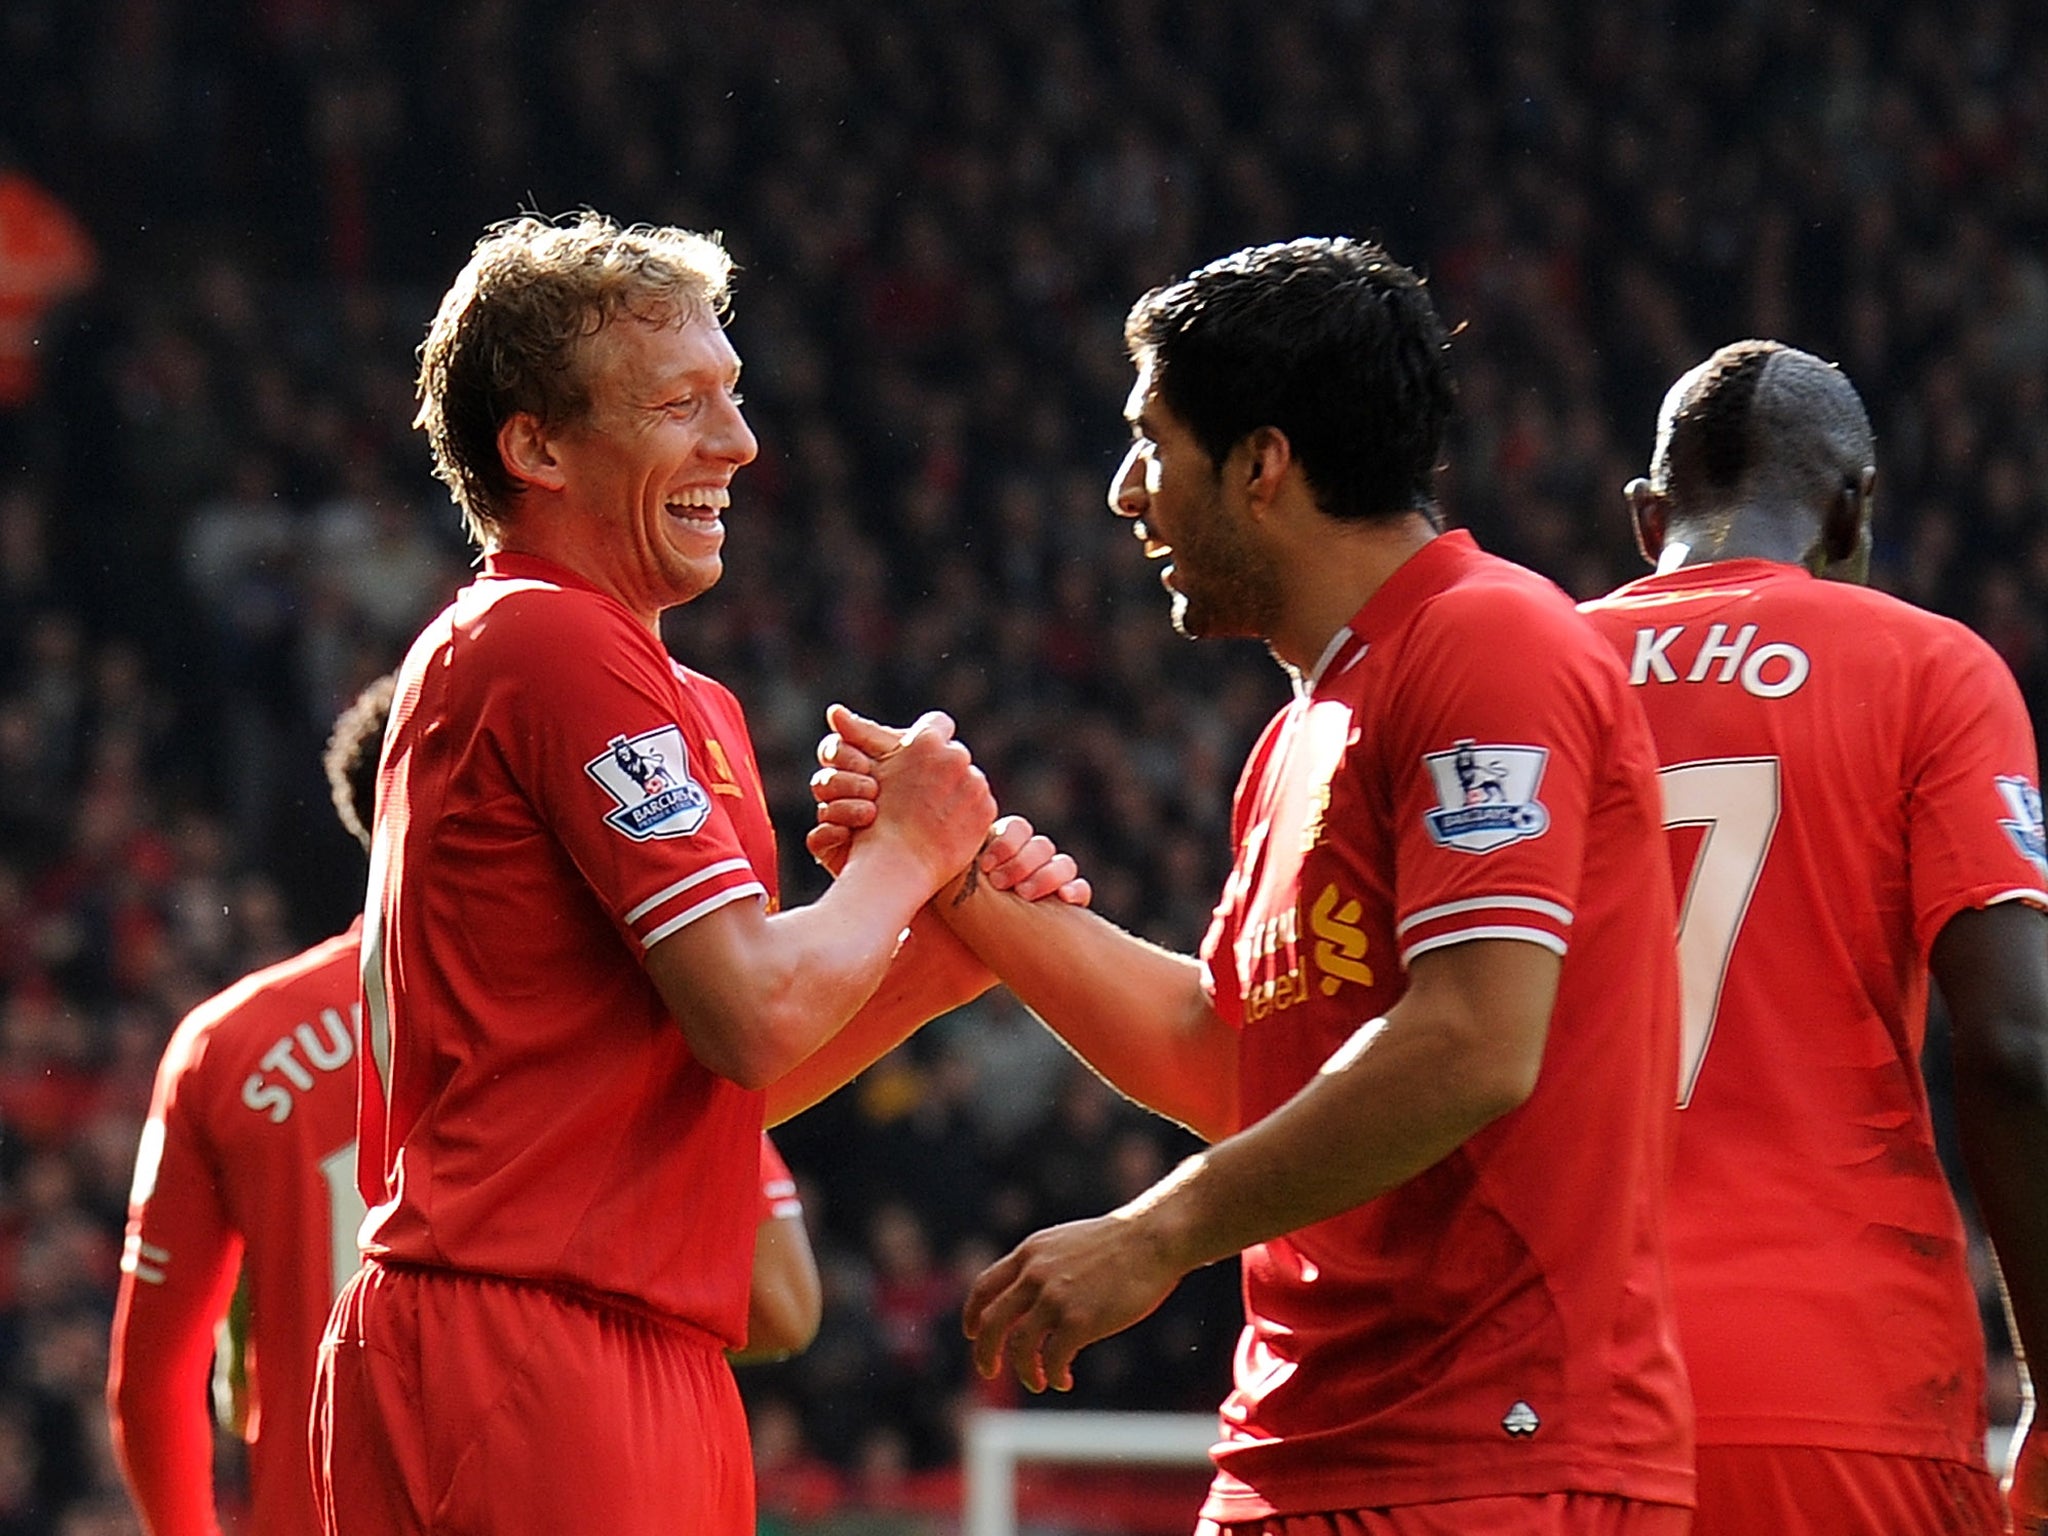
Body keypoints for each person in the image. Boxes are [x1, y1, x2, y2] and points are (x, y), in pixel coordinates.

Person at [814, 237, 1694, 1533]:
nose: (1125, 493)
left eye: (1150, 443)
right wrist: (960, 883)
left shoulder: (1487, 645)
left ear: (1263, 464)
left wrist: (1156, 1234)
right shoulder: (1300, 730)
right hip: (1309, 1451)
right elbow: (1228, 1059)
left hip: (1496, 1455)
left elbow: (1475, 1041)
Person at [312, 211, 1080, 1536]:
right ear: (536, 446)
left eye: (733, 396)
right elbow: (753, 1007)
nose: (738, 443)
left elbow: (712, 1085)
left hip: (622, 1345)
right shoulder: (547, 638)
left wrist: (929, 964)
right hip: (526, 1345)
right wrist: (905, 852)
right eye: (682, 404)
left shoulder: (686, 702)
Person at [105, 671, 834, 1535]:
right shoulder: (602, 1021)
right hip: (553, 1477)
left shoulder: (225, 1046)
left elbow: (150, 1386)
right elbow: (784, 1304)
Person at [1577, 339, 2048, 1536]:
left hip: (1547, 1384)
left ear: (1645, 519)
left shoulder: (1520, 669)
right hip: (1836, 1381)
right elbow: (2012, 1050)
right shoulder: (1927, 668)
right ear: (1852, 508)